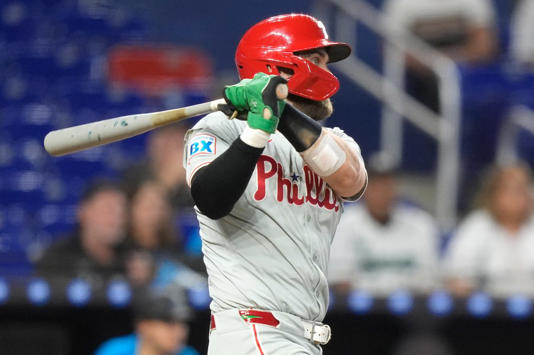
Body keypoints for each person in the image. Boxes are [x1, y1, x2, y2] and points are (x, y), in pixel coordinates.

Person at [183, 14, 367, 355]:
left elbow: (352, 182)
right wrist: (256, 131)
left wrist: (277, 110)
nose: (326, 73)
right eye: (315, 60)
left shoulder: (336, 141)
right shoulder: (219, 129)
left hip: (304, 338)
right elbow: (210, 199)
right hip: (252, 332)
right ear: (280, 66)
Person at [328, 153, 439, 296]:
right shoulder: (343, 223)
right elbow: (340, 283)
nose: (383, 192)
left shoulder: (421, 224)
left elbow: (429, 284)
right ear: (363, 187)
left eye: (388, 184)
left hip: (409, 313)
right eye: (376, 185)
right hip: (357, 314)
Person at [443, 163, 534, 297]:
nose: (516, 197)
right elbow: (456, 274)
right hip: (486, 309)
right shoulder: (477, 225)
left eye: (522, 190)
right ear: (494, 194)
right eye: (509, 190)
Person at [35, 180, 128, 283]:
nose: (117, 219)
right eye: (108, 210)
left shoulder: (131, 259)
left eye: (121, 212)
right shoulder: (57, 260)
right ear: (84, 212)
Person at [94, 292, 199, 355]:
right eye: (169, 323)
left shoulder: (188, 353)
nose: (179, 331)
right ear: (144, 326)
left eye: (182, 324)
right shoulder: (115, 351)